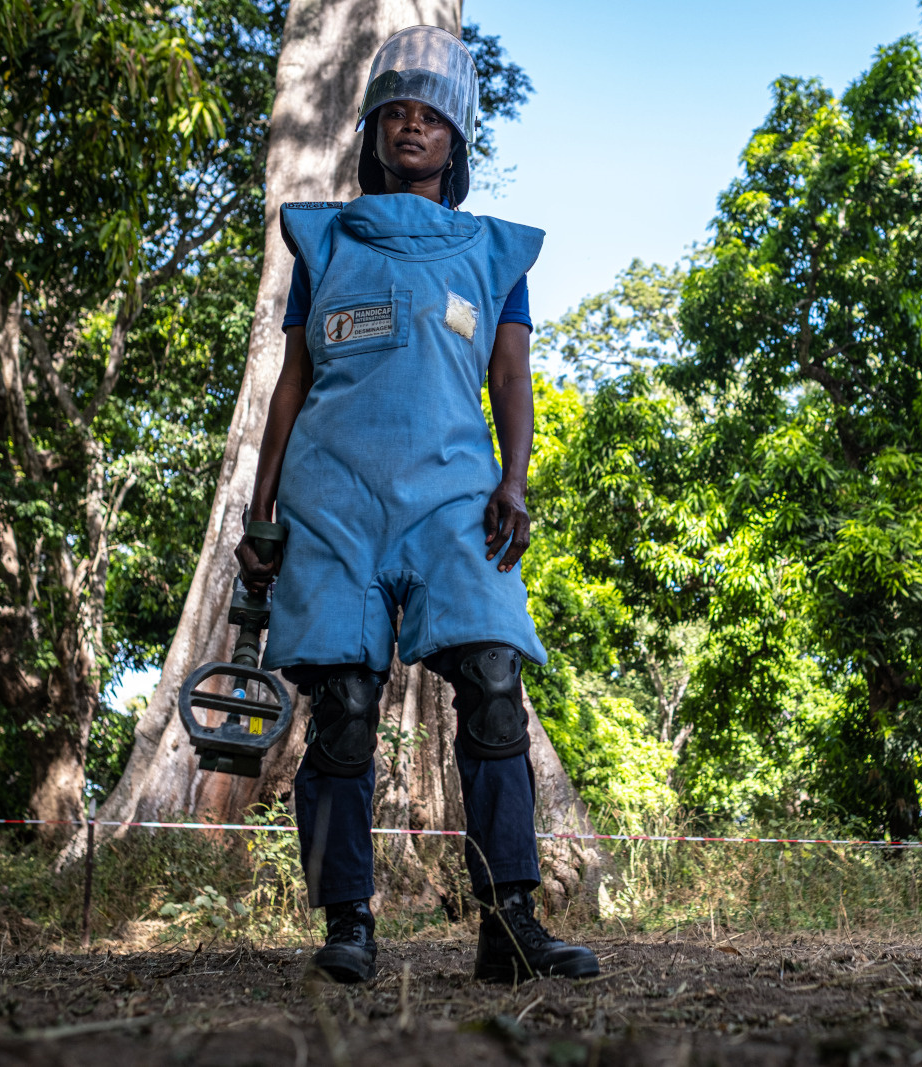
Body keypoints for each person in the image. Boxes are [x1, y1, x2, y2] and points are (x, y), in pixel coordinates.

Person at [235, 24, 599, 986]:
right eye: (395, 112)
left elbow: (512, 378)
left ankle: (508, 922)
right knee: (344, 708)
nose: (411, 125)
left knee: (491, 686)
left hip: (455, 500)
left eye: (430, 115)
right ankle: (347, 924)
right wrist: (261, 508)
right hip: (333, 499)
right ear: (370, 133)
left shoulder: (493, 253)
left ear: (456, 141)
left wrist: (515, 480)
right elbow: (292, 377)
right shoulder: (325, 241)